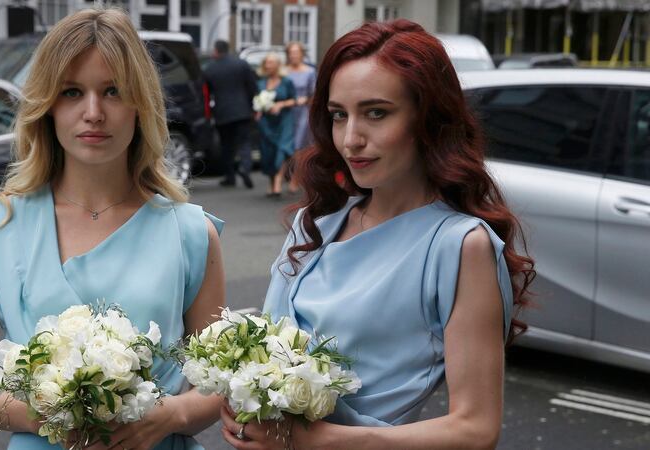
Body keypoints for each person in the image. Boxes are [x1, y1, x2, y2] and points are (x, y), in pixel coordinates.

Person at [220, 20, 535, 449]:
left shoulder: (460, 246)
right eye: (338, 116)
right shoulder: (317, 221)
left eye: (376, 113)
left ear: (429, 119)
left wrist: (313, 441)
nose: (351, 139)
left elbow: (476, 429)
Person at [0, 9, 225, 450]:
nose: (93, 113)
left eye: (113, 91)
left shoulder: (190, 233)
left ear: (140, 105)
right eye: (72, 92)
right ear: (47, 107)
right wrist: (46, 418)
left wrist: (172, 414)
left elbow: (217, 379)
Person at [203, 40, 258, 189]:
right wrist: (251, 105)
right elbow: (252, 86)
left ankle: (229, 176)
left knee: (227, 146)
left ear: (216, 51)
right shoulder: (241, 64)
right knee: (245, 142)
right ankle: (244, 168)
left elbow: (207, 94)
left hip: (222, 112)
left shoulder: (209, 69)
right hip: (242, 110)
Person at [256, 53, 296, 198]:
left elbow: (294, 100)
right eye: (266, 63)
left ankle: (278, 181)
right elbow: (257, 101)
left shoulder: (287, 82)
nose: (268, 65)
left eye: (271, 62)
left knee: (282, 148)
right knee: (268, 152)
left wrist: (281, 104)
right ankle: (271, 182)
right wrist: (259, 109)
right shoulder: (261, 82)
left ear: (278, 65)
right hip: (266, 122)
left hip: (284, 120)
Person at [284, 42, 317, 193]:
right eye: (291, 53)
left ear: (302, 54)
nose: (293, 55)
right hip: (287, 112)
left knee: (299, 146)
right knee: (287, 145)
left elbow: (314, 93)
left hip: (303, 111)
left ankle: (296, 179)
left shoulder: (310, 71)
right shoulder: (284, 71)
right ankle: (288, 174)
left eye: (296, 52)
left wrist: (307, 102)